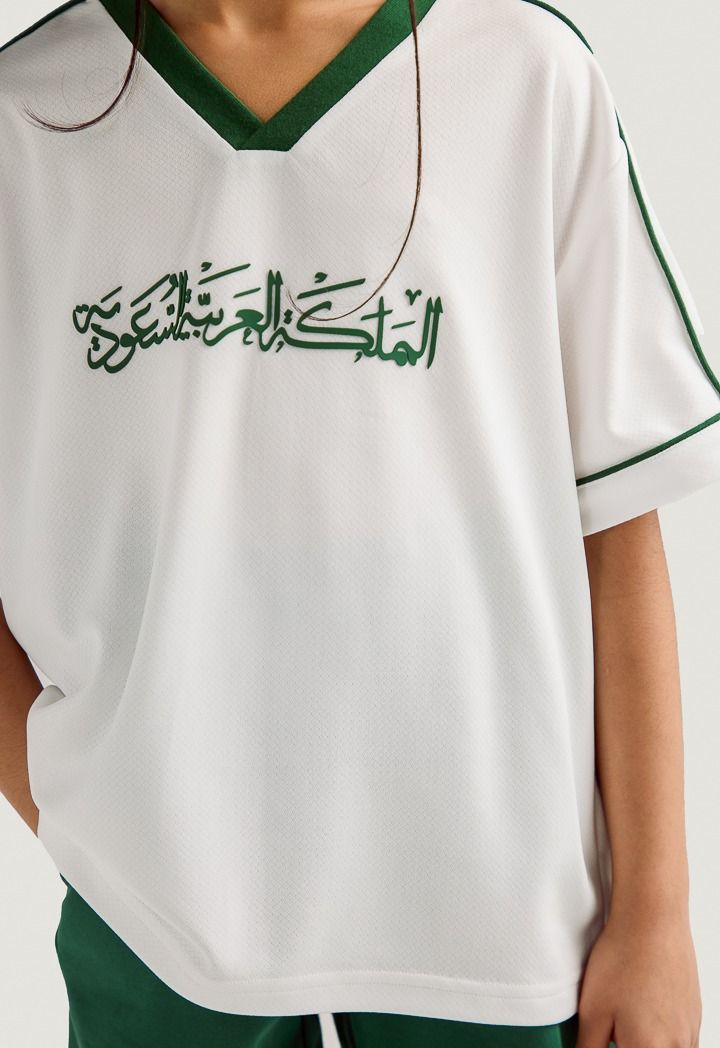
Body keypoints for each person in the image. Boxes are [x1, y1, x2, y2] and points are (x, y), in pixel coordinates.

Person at [0, 0, 714, 1044]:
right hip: (155, 914)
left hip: (497, 901)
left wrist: (656, 912)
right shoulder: (27, 115)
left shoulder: (526, 76)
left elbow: (612, 525)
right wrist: (83, 821)